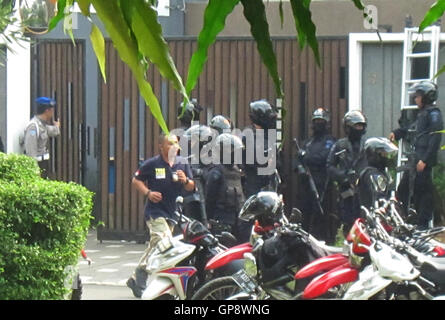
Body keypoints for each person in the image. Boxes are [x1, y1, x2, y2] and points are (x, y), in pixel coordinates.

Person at [126, 132, 195, 298]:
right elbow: (136, 180)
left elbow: (191, 187)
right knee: (163, 243)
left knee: (157, 245)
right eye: (170, 144)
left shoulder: (182, 163)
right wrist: (148, 193)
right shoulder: (152, 164)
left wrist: (185, 180)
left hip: (172, 212)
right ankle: (143, 279)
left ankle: (137, 277)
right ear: (161, 146)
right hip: (155, 211)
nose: (173, 147)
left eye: (176, 144)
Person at [389, 80, 443, 229]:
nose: (415, 99)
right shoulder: (422, 114)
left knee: (424, 193)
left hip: (423, 162)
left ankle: (423, 225)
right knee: (404, 190)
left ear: (426, 96)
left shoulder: (434, 114)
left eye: (418, 96)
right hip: (415, 160)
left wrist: (424, 160)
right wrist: (396, 133)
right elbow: (410, 129)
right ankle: (405, 221)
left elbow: (435, 138)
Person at [295, 107, 336, 242]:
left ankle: (326, 240)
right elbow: (296, 161)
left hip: (323, 185)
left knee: (322, 216)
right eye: (316, 121)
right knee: (305, 214)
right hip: (306, 185)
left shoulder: (330, 141)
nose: (318, 124)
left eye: (321, 121)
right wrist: (300, 167)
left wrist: (306, 157)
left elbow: (323, 157)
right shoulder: (307, 142)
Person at [327, 110, 368, 233]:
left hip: (364, 190)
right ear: (348, 127)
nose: (359, 128)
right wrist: (344, 176)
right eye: (356, 126)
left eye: (361, 126)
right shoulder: (340, 145)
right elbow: (329, 166)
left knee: (365, 219)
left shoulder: (367, 145)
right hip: (346, 190)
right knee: (347, 221)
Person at [205, 133, 245, 242]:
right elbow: (209, 199)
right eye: (232, 151)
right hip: (221, 220)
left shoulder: (237, 171)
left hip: (238, 220)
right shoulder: (216, 172)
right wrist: (209, 220)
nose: (235, 153)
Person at [23, 97, 60, 178]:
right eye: (52, 110)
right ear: (47, 111)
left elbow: (51, 131)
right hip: (38, 165)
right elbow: (30, 149)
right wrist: (34, 168)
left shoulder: (42, 124)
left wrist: (57, 127)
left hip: (44, 163)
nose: (53, 113)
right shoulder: (33, 126)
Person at [358, 137, 398, 209]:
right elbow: (380, 197)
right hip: (373, 217)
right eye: (384, 154)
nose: (387, 157)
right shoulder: (372, 173)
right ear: (375, 153)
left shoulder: (381, 172)